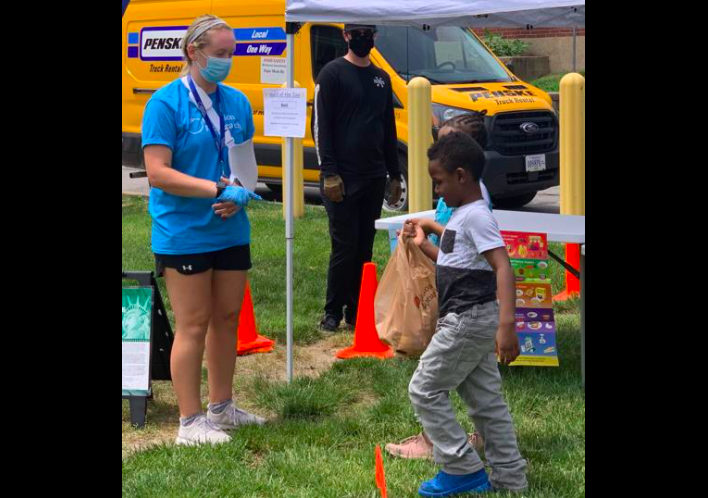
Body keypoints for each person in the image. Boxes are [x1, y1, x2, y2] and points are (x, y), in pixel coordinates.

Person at [142, 15, 265, 446]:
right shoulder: (164, 104)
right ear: (193, 52)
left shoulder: (237, 102)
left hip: (231, 228)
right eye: (220, 54)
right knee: (193, 324)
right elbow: (158, 174)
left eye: (232, 54)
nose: (227, 62)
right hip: (183, 231)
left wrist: (240, 192)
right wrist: (215, 188)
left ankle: (222, 407)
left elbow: (244, 166)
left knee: (227, 320)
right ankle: (189, 422)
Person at [404, 133, 528, 496]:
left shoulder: (476, 217)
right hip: (471, 320)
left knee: (424, 389)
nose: (437, 190)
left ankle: (461, 468)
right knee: (486, 402)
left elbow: (501, 267)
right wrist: (424, 244)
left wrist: (507, 325)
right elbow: (455, 262)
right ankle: (510, 477)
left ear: (461, 176)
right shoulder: (462, 216)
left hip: (467, 320)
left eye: (439, 181)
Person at [314, 24, 403, 332]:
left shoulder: (381, 78)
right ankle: (332, 311)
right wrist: (329, 173)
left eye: (368, 33)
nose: (363, 38)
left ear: (375, 36)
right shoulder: (332, 74)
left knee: (364, 245)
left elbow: (388, 130)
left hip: (374, 175)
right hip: (341, 177)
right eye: (357, 33)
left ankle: (357, 309)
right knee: (344, 244)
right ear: (346, 37)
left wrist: (395, 174)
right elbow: (322, 128)